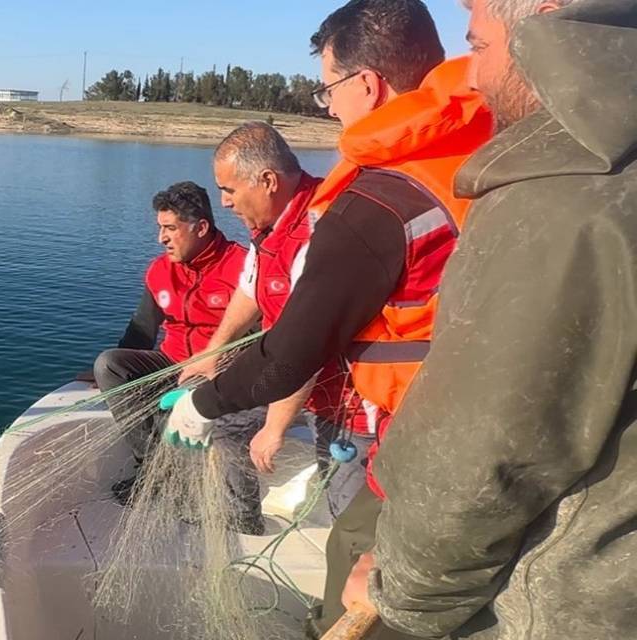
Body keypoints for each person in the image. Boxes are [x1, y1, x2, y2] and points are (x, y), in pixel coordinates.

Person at [159, 1, 495, 637]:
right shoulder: (487, 158)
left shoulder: (375, 205)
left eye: (328, 89)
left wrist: (205, 403)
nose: (329, 107)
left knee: (352, 564)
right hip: (489, 416)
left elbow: (293, 351)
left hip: (426, 436)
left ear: (367, 85)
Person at [339, 1, 636, 638]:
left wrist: (401, 589)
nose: (470, 76)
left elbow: (483, 454)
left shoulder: (559, 197)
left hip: (562, 608)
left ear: (545, 22)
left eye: (478, 46)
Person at [189, 121, 374, 519]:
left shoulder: (322, 231)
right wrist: (212, 352)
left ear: (268, 181)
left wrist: (274, 428)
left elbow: (308, 346)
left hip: (348, 401)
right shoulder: (269, 226)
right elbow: (250, 288)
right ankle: (241, 523)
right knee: (226, 424)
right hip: (290, 375)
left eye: (229, 189)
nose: (223, 202)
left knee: (348, 515)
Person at [91, 181, 263, 532]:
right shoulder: (160, 270)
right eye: (159, 228)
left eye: (170, 228)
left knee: (194, 394)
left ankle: (222, 501)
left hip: (219, 371)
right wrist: (97, 372)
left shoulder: (244, 268)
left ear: (201, 227)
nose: (161, 238)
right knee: (109, 365)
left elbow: (264, 336)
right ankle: (153, 468)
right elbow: (142, 329)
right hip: (171, 363)